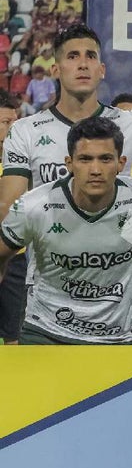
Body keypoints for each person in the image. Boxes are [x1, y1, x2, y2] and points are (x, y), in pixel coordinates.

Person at [0, 24, 132, 344]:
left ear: (102, 69)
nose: (82, 64)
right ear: (55, 69)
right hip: (51, 286)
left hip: (117, 282)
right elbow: (9, 207)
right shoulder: (26, 131)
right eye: (73, 56)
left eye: (90, 56)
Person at [0, 117, 132, 344]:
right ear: (69, 163)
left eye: (105, 159)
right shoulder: (34, 206)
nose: (95, 170)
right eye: (85, 159)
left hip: (118, 337)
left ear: (121, 163)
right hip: (46, 333)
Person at [0, 90, 26, 344]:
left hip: (16, 257)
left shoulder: (23, 163)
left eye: (15, 121)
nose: (13, 128)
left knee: (14, 336)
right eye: (6, 122)